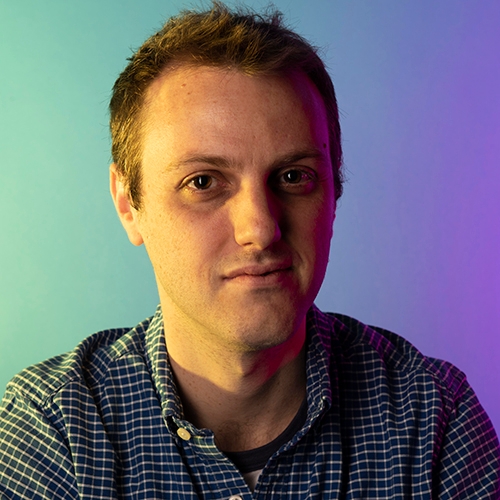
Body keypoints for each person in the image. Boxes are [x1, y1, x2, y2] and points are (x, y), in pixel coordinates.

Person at [1, 3, 499, 498]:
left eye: (294, 176)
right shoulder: (52, 428)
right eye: (203, 181)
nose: (260, 229)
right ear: (128, 204)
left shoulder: (434, 418)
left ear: (334, 192)